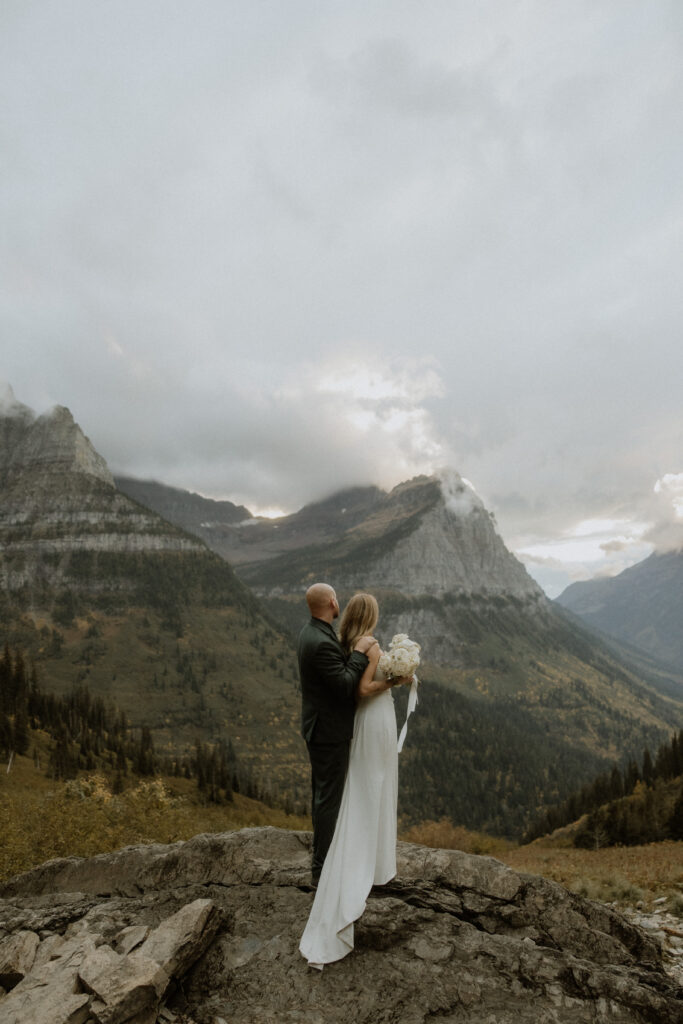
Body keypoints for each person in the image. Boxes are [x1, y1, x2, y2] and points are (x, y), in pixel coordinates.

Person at [299, 592, 403, 969]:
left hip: (355, 725)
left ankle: (363, 857)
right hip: (370, 723)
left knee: (359, 787)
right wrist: (395, 680)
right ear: (372, 616)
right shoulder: (368, 645)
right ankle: (361, 861)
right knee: (371, 786)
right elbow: (359, 690)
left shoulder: (340, 642)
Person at [298, 582, 390, 885]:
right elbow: (345, 684)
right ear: (333, 603)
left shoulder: (313, 632)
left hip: (321, 726)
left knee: (323, 795)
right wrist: (362, 653)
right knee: (328, 799)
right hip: (328, 731)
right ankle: (321, 869)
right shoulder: (322, 641)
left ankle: (325, 858)